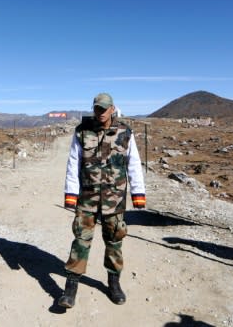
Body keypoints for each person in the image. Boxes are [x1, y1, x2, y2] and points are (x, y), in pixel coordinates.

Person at [58, 93, 146, 308]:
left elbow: (133, 163)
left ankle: (113, 283)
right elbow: (73, 163)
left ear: (113, 109)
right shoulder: (82, 131)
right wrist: (71, 194)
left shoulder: (125, 132)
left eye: (104, 109)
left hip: (114, 198)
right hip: (87, 197)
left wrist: (138, 194)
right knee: (81, 240)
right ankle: (71, 287)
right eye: (97, 108)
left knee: (114, 240)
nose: (100, 113)